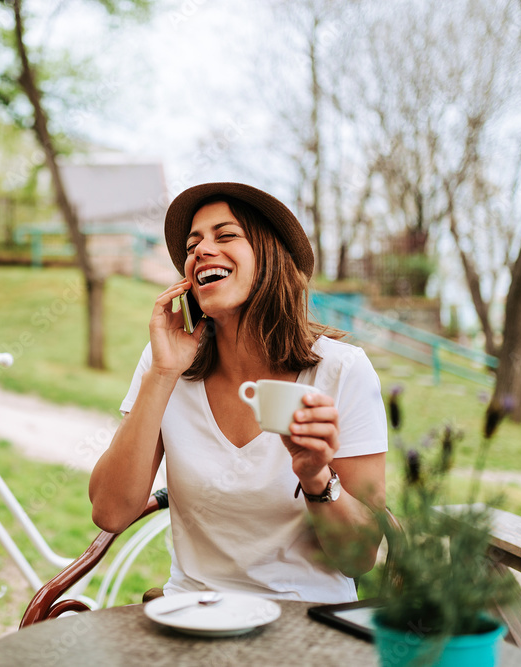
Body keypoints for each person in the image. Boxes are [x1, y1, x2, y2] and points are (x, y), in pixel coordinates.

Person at [89, 182, 387, 603]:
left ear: (270, 257)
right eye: (193, 244)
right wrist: (162, 374)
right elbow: (110, 511)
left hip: (308, 624)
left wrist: (317, 478)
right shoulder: (166, 363)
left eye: (225, 236)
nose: (200, 251)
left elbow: (360, 558)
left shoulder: (342, 370)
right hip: (195, 615)